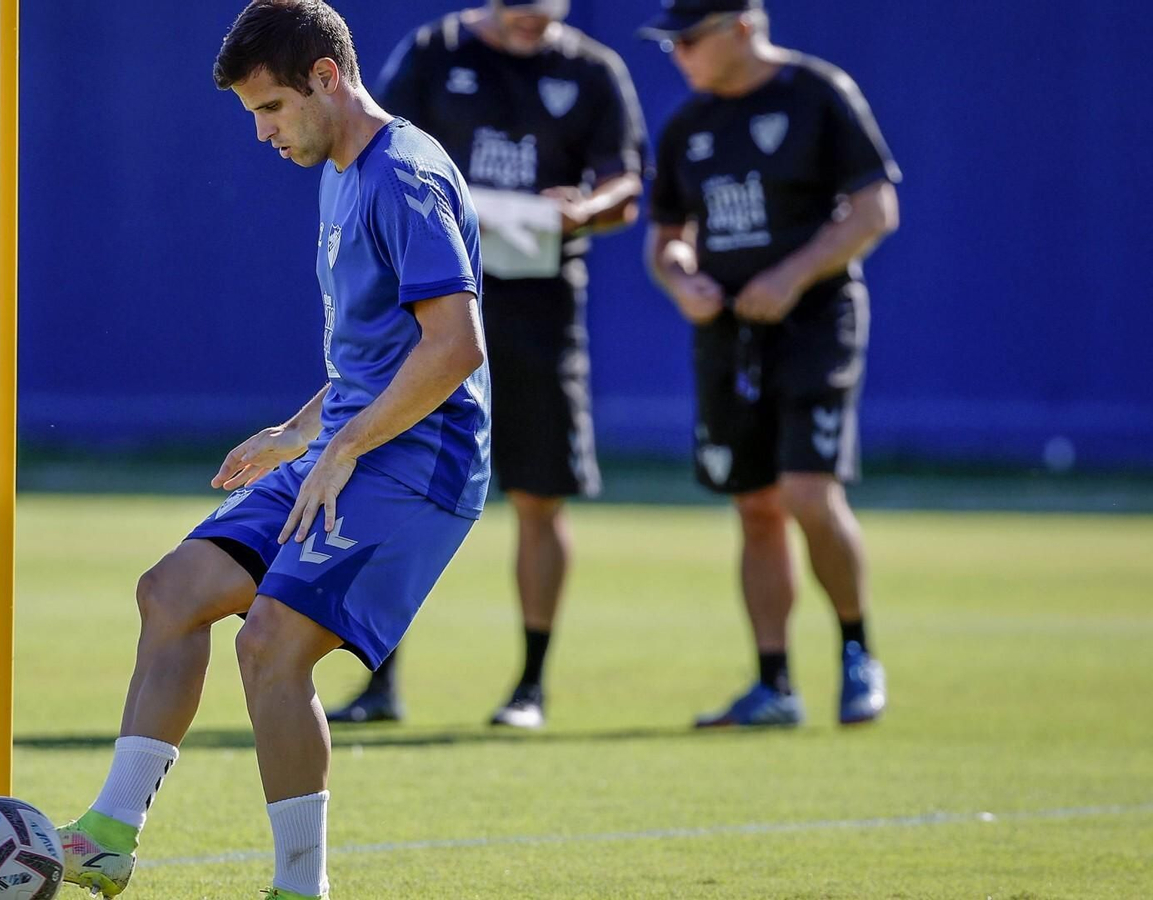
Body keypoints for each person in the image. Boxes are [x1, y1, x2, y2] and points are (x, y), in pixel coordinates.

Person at [52, 2, 489, 897]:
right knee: (171, 592)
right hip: (350, 443)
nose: (261, 134)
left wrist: (342, 446)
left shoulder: (402, 175)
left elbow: (455, 347)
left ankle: (299, 888)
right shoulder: (336, 169)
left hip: (419, 462)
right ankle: (107, 836)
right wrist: (300, 431)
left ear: (327, 79)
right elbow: (381, 348)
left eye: (272, 110)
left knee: (270, 646)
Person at [324, 0, 647, 730]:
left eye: (547, 8)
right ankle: (380, 679)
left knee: (538, 494)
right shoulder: (434, 52)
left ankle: (530, 685)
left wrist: (587, 207)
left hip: (540, 307)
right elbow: (373, 147)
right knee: (389, 482)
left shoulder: (592, 70)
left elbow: (626, 185)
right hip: (426, 307)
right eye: (518, 8)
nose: (533, 20)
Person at [638, 0, 899, 727]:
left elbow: (876, 208)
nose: (679, 54)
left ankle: (857, 653)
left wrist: (794, 274)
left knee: (808, 493)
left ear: (742, 28)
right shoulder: (690, 124)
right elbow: (667, 237)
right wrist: (681, 276)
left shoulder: (818, 93)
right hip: (727, 333)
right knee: (754, 506)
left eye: (688, 39)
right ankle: (774, 684)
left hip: (815, 322)